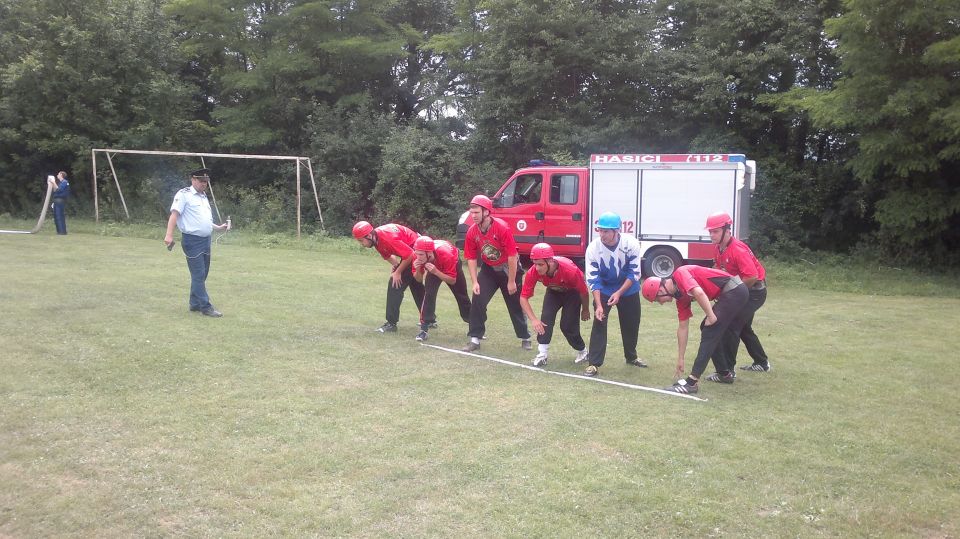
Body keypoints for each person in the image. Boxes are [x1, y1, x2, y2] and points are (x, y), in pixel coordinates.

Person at [640, 265, 749, 394]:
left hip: (735, 290)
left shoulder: (680, 273)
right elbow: (683, 327)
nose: (661, 303)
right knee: (706, 327)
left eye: (657, 299)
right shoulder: (680, 297)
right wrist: (681, 358)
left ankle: (692, 383)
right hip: (733, 292)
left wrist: (711, 316)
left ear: (660, 290)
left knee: (710, 329)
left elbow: (699, 292)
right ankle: (724, 374)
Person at [462, 194, 531, 352]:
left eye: (476, 212)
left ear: (486, 212)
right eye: (471, 212)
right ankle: (475, 339)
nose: (473, 216)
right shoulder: (472, 232)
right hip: (489, 269)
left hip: (509, 268)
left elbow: (512, 256)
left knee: (515, 304)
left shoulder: (502, 228)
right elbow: (471, 258)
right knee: (478, 300)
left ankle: (525, 337)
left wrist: (511, 281)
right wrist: (475, 282)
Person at [582, 211, 646, 377]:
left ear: (617, 231)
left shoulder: (631, 244)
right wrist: (599, 304)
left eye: (606, 231)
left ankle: (631, 356)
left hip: (628, 288)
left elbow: (634, 273)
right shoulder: (593, 248)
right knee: (599, 322)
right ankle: (594, 363)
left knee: (631, 324)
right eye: (600, 230)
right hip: (603, 289)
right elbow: (593, 279)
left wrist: (619, 293)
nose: (602, 235)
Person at [706, 211, 771, 372]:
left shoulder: (737, 249)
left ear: (727, 230)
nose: (712, 235)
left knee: (732, 325)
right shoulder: (719, 248)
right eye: (710, 231)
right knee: (743, 327)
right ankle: (762, 363)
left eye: (715, 231)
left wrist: (731, 294)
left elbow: (751, 277)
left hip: (754, 292)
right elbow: (718, 269)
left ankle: (728, 371)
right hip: (744, 290)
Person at [163, 168, 230, 317]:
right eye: (201, 181)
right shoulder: (184, 195)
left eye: (206, 181)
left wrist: (218, 227)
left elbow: (204, 219)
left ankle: (194, 304)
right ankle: (206, 307)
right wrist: (169, 235)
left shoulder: (203, 196)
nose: (204, 184)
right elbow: (174, 215)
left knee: (202, 274)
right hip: (192, 241)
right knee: (198, 274)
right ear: (193, 180)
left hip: (206, 240)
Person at [518, 243, 590, 367]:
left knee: (567, 326)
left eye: (540, 264)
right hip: (553, 291)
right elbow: (523, 298)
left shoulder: (570, 270)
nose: (537, 268)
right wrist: (534, 320)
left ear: (550, 261)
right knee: (545, 320)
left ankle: (583, 351)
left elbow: (584, 292)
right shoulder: (533, 271)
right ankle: (542, 354)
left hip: (572, 293)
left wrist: (585, 309)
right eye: (535, 263)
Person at [353, 220, 426, 333]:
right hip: (412, 251)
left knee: (394, 284)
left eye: (361, 240)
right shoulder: (377, 240)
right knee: (415, 285)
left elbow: (410, 255)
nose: (361, 244)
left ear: (369, 236)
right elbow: (388, 256)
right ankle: (428, 318)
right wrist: (396, 266)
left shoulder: (387, 238)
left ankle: (391, 324)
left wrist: (398, 272)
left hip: (416, 251)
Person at [411, 235, 472, 342]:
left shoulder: (447, 255)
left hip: (451, 263)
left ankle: (475, 327)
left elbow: (452, 280)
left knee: (462, 295)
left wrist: (436, 272)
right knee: (428, 294)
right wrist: (418, 269)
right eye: (417, 253)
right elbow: (419, 280)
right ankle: (424, 329)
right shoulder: (417, 256)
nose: (418, 257)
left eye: (421, 254)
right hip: (434, 266)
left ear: (429, 253)